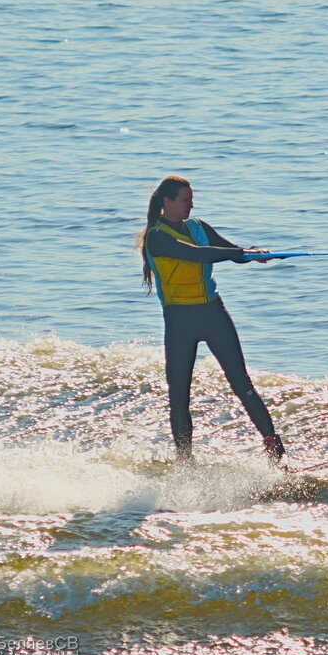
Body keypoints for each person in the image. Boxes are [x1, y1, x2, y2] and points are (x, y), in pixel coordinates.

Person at [139, 175, 286, 464]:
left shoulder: (199, 227)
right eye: (185, 201)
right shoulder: (157, 236)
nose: (190, 206)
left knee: (242, 383)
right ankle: (185, 462)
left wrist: (257, 254)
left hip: (213, 313)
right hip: (180, 320)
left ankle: (276, 452)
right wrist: (241, 253)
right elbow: (197, 255)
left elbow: (231, 252)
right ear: (166, 202)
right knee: (179, 394)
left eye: (192, 200)